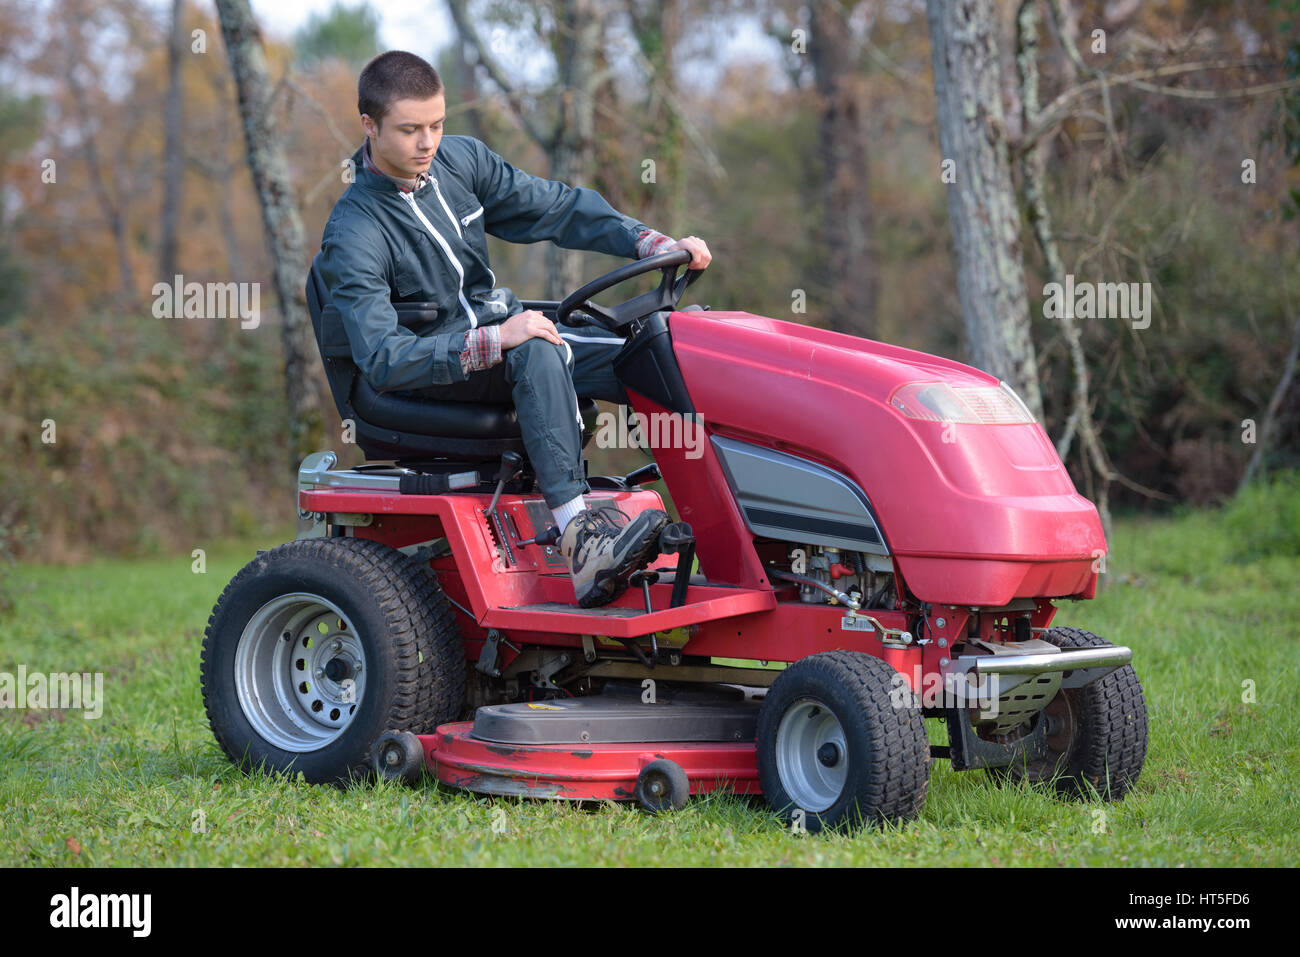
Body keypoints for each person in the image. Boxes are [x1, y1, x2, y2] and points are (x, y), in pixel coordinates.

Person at [316, 50, 711, 608]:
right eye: (409, 130)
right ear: (369, 126)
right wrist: (497, 339)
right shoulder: (355, 232)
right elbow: (383, 357)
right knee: (537, 349)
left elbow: (557, 208)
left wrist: (648, 242)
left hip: (502, 341)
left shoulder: (460, 164)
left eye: (436, 125)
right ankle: (581, 539)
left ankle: (729, 528)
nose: (427, 142)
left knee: (663, 346)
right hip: (429, 371)